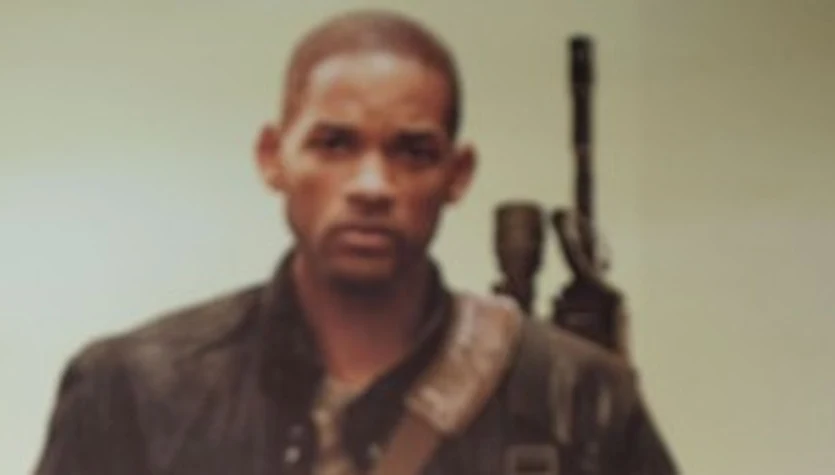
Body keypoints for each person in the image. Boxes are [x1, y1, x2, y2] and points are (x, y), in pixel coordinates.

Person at [33, 9, 677, 475]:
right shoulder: (133, 390)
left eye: (413, 151)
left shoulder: (579, 397)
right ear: (272, 157)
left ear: (457, 174)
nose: (372, 185)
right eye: (335, 144)